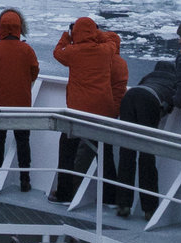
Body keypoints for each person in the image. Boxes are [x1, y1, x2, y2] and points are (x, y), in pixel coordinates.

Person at [50, 16, 126, 205]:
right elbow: (111, 39)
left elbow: (57, 52)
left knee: (67, 150)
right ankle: (111, 197)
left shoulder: (73, 52)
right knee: (104, 152)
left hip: (78, 111)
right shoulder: (105, 51)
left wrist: (67, 36)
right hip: (103, 110)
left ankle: (64, 194)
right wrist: (95, 33)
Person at [116, 46, 181, 220]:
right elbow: (178, 100)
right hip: (150, 100)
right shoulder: (175, 81)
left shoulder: (149, 76)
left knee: (126, 153)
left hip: (130, 97)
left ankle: (123, 204)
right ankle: (149, 208)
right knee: (146, 156)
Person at [0, 9, 40, 191]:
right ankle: (24, 179)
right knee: (23, 141)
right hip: (22, 104)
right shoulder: (27, 50)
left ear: (1, 28)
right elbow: (34, 72)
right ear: (20, 28)